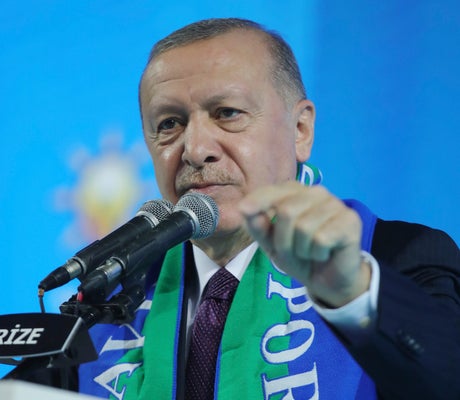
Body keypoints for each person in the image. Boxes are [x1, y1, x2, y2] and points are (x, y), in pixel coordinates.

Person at [24, 18, 460, 399]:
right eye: (169, 124)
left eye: (227, 113)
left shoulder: (398, 256)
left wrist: (351, 293)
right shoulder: (111, 300)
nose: (195, 149)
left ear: (301, 130)